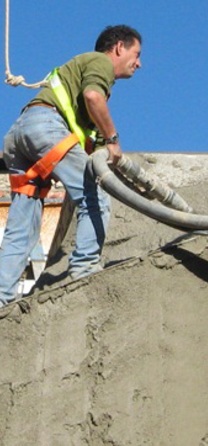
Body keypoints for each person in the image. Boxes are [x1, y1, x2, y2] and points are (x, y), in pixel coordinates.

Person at [0, 25, 142, 306]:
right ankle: (85, 271)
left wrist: (105, 147)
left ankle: (1, 298)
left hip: (20, 137)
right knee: (96, 198)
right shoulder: (99, 62)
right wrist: (114, 139)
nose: (139, 63)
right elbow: (93, 97)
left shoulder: (83, 75)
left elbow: (94, 141)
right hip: (45, 128)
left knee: (23, 228)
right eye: (136, 54)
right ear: (118, 48)